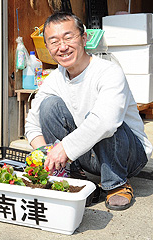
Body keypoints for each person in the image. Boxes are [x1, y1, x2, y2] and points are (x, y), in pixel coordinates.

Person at [25, 12, 152, 211]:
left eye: (69, 37)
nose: (63, 46)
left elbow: (106, 123)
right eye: (54, 41)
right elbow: (32, 125)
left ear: (84, 38)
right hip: (88, 156)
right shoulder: (52, 80)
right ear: (48, 47)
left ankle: (116, 184)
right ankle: (76, 178)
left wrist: (64, 148)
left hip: (128, 155)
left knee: (100, 119)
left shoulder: (108, 71)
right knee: (49, 106)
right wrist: (45, 154)